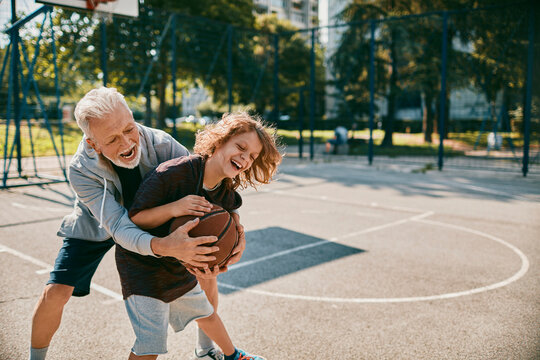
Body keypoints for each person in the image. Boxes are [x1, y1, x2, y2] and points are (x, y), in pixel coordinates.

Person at [29, 87, 221, 360]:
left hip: (156, 215)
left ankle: (205, 349)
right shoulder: (81, 169)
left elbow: (204, 192)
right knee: (57, 290)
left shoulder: (163, 145)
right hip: (98, 222)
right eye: (112, 139)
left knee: (206, 269)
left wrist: (232, 231)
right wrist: (163, 246)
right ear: (93, 143)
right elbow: (118, 227)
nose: (127, 143)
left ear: (132, 116)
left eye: (129, 129)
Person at [116, 112, 282, 359]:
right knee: (151, 341)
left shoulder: (224, 188)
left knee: (206, 313)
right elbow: (135, 218)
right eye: (240, 147)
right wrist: (175, 208)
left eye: (252, 156)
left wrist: (237, 237)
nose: (245, 158)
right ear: (219, 141)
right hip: (142, 264)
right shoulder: (174, 173)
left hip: (175, 263)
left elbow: (231, 212)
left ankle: (228, 355)